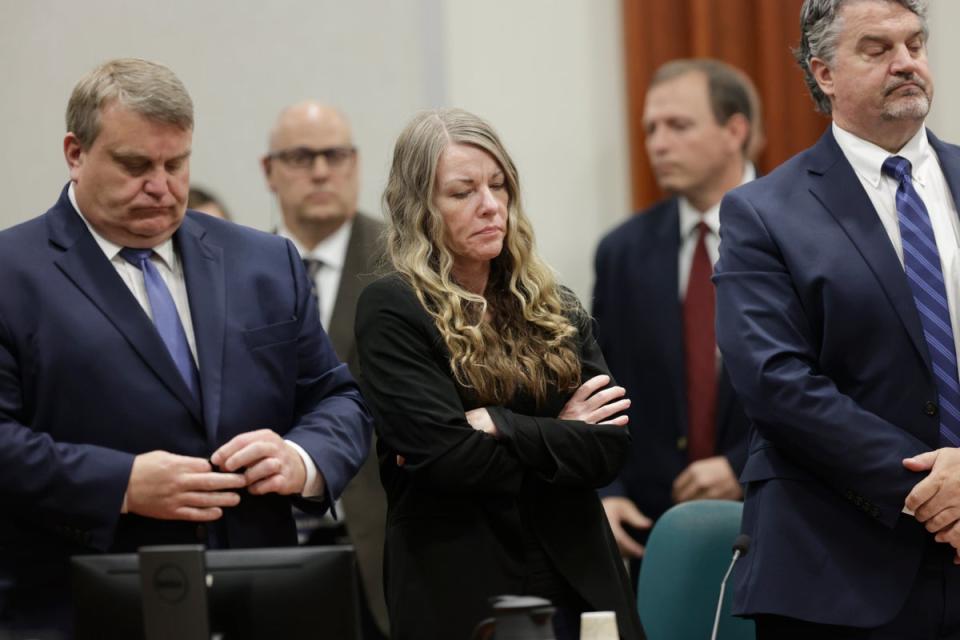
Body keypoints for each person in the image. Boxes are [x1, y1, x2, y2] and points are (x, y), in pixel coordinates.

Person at [0, 58, 372, 636]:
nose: (161, 185)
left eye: (176, 163)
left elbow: (338, 398)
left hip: (262, 595)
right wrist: (119, 483)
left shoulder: (264, 263)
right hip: (83, 602)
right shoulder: (11, 273)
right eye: (135, 165)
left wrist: (300, 459)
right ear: (75, 153)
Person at [715, 0, 960, 636]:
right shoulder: (762, 213)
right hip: (838, 565)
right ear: (824, 73)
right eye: (877, 49)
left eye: (914, 44)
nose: (906, 63)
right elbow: (775, 382)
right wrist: (932, 488)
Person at [355, 109, 644, 640]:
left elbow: (608, 449)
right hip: (461, 584)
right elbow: (447, 461)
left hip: (578, 574)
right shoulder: (393, 308)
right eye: (462, 193)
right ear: (419, 208)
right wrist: (561, 431)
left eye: (498, 185)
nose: (490, 207)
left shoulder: (551, 302)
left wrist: (498, 424)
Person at [593, 59, 757, 572]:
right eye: (650, 129)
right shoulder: (623, 250)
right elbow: (601, 380)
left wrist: (743, 466)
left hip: (777, 517)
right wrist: (607, 488)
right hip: (654, 533)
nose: (658, 143)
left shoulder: (805, 230)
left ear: (735, 130)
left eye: (678, 126)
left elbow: (833, 376)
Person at [261, 100, 388, 638]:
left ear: (355, 164)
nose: (319, 171)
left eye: (334, 155)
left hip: (381, 539)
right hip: (271, 546)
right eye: (300, 156)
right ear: (269, 171)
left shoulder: (404, 259)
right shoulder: (240, 269)